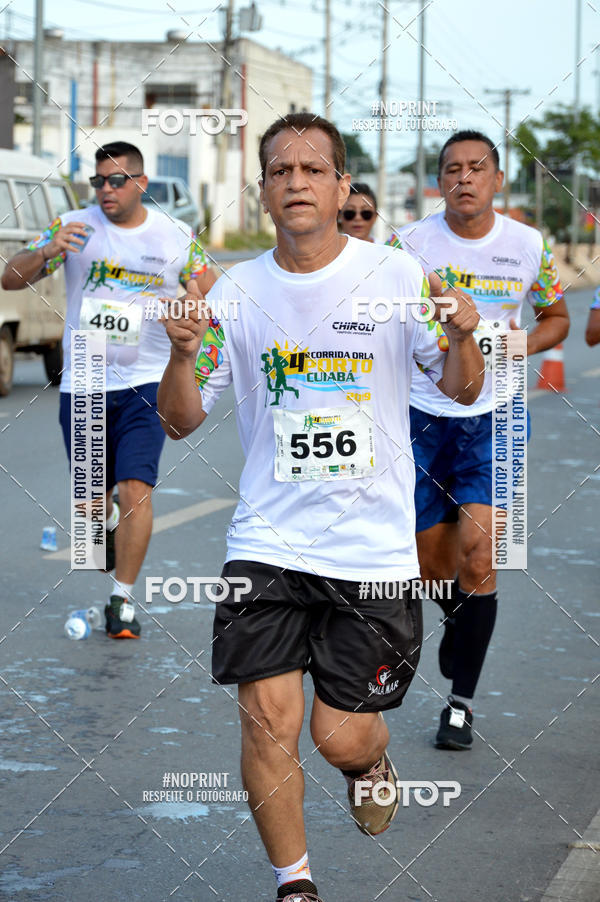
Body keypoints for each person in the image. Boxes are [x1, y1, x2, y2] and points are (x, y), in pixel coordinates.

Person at [157, 112, 483, 902]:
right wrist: (177, 355)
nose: (295, 182)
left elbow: (463, 388)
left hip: (370, 553)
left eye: (312, 170)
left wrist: (467, 335)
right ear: (265, 189)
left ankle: (368, 761)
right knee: (267, 721)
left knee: (336, 735)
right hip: (267, 541)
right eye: (279, 170)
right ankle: (295, 885)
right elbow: (180, 418)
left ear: (342, 187)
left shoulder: (397, 277)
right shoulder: (236, 292)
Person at [386, 129, 569, 749]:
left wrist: (519, 345)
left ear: (497, 180)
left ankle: (460, 703)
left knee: (480, 555)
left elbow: (556, 318)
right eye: (451, 170)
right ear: (439, 183)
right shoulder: (407, 245)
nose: (464, 178)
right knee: (429, 566)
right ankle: (459, 625)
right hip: (420, 414)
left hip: (496, 417)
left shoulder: (528, 245)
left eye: (477, 168)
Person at [1, 140, 215, 639]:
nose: (105, 190)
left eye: (116, 180)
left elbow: (206, 284)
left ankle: (123, 600)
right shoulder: (73, 225)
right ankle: (106, 533)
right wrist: (48, 251)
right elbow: (11, 278)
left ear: (140, 183)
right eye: (98, 181)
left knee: (137, 487)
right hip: (87, 378)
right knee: (90, 532)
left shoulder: (173, 235)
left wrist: (192, 295)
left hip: (147, 381)